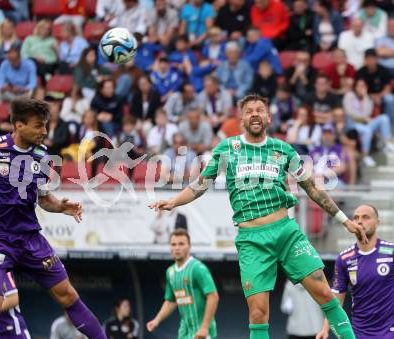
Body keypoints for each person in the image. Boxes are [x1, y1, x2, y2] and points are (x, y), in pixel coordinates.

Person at [150, 93, 367, 339]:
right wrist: (173, 201)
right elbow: (200, 185)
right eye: (249, 110)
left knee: (326, 294)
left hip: (286, 233)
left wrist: (344, 220)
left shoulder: (283, 149)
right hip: (252, 240)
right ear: (241, 118)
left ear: (268, 117)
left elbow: (313, 189)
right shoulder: (227, 149)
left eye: (259, 110)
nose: (255, 113)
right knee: (258, 313)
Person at [0, 98, 107, 339]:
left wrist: (62, 207)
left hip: (29, 240)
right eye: (38, 125)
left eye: (45, 125)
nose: (44, 131)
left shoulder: (42, 155)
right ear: (18, 125)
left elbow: (44, 199)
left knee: (68, 295)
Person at [316, 204, 394, 339]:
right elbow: (336, 299)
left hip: (389, 332)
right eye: (356, 218)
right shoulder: (344, 259)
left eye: (365, 217)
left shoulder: (391, 252)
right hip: (359, 333)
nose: (359, 221)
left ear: (377, 223)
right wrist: (325, 329)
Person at [146, 229, 219, 339]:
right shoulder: (170, 272)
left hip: (202, 333)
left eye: (181, 244)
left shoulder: (198, 268)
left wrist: (204, 327)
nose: (177, 248)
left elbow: (213, 296)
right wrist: (157, 320)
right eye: (173, 244)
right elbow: (171, 301)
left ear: (189, 246)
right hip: (184, 332)